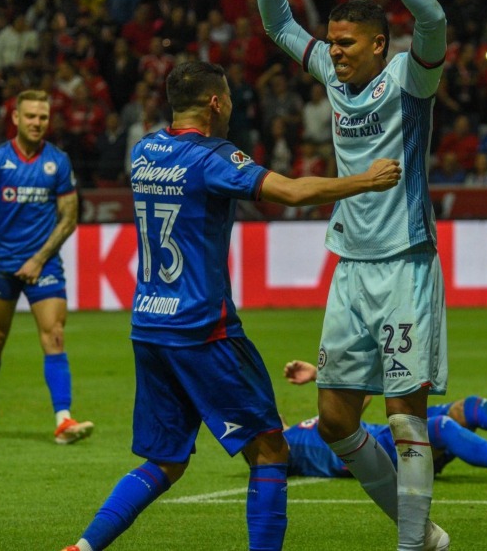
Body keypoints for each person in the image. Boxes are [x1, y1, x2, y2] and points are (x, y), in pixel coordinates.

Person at [59, 61, 402, 551]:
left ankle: (84, 546)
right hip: (204, 329)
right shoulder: (213, 157)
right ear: (216, 103)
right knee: (271, 450)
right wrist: (364, 181)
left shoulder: (144, 151)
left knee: (166, 461)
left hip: (150, 324)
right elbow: (290, 192)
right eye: (230, 101)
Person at [251, 0, 450, 550]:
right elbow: (279, 25)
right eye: (332, 43)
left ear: (378, 45)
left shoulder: (410, 79)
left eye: (345, 43)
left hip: (405, 264)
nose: (333, 51)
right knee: (336, 421)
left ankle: (410, 544)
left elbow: (434, 19)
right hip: (350, 268)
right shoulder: (335, 80)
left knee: (404, 415)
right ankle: (424, 534)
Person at [0, 89, 92, 445]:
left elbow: (69, 218)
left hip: (44, 265)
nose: (37, 122)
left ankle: (63, 420)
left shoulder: (58, 162)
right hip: (3, 264)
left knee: (55, 335)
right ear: (16, 118)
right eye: (31, 116)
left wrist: (38, 259)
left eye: (43, 117)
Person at [282, 359, 487, 484]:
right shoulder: (284, 447)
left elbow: (355, 401)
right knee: (440, 427)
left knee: (467, 408)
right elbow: (267, 461)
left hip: (382, 437)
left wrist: (319, 375)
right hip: (378, 456)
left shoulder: (297, 431)